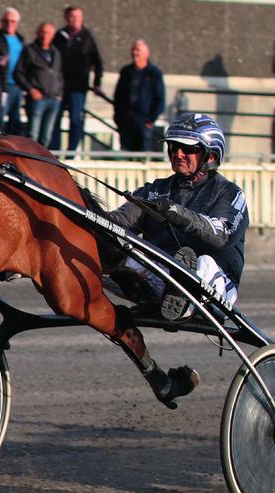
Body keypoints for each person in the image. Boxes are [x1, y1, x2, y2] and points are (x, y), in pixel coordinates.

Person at [105, 113, 246, 406]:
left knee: (201, 262)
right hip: (164, 280)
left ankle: (185, 294)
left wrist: (176, 212)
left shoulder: (230, 194)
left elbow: (220, 235)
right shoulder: (157, 189)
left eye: (188, 149)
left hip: (214, 288)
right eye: (173, 147)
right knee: (122, 254)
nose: (178, 154)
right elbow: (117, 222)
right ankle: (166, 294)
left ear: (209, 154)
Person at [50, 6, 103, 156]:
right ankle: (55, 150)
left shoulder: (87, 37)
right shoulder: (60, 36)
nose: (74, 20)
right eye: (71, 17)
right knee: (56, 119)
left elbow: (97, 62)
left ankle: (72, 150)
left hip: (78, 87)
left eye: (77, 17)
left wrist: (97, 83)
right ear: (66, 18)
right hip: (60, 86)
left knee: (75, 119)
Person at [13, 22, 61, 147]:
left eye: (48, 33)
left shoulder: (55, 52)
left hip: (53, 99)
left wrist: (59, 93)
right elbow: (18, 73)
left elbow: (59, 74)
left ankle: (43, 163)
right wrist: (30, 89)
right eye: (43, 32)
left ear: (53, 35)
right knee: (32, 135)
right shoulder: (30, 50)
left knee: (46, 136)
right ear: (38, 33)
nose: (45, 35)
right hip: (37, 99)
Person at [112, 39, 164, 152]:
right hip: (126, 121)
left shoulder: (154, 73)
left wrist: (151, 119)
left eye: (138, 50)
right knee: (126, 152)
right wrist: (118, 116)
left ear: (146, 53)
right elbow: (118, 95)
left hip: (143, 121)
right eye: (133, 50)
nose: (135, 53)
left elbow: (160, 98)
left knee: (143, 153)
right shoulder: (126, 72)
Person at [0, 7, 25, 135]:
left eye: (13, 21)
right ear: (1, 21)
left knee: (15, 120)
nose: (9, 24)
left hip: (18, 85)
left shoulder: (20, 39)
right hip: (3, 84)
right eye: (6, 21)